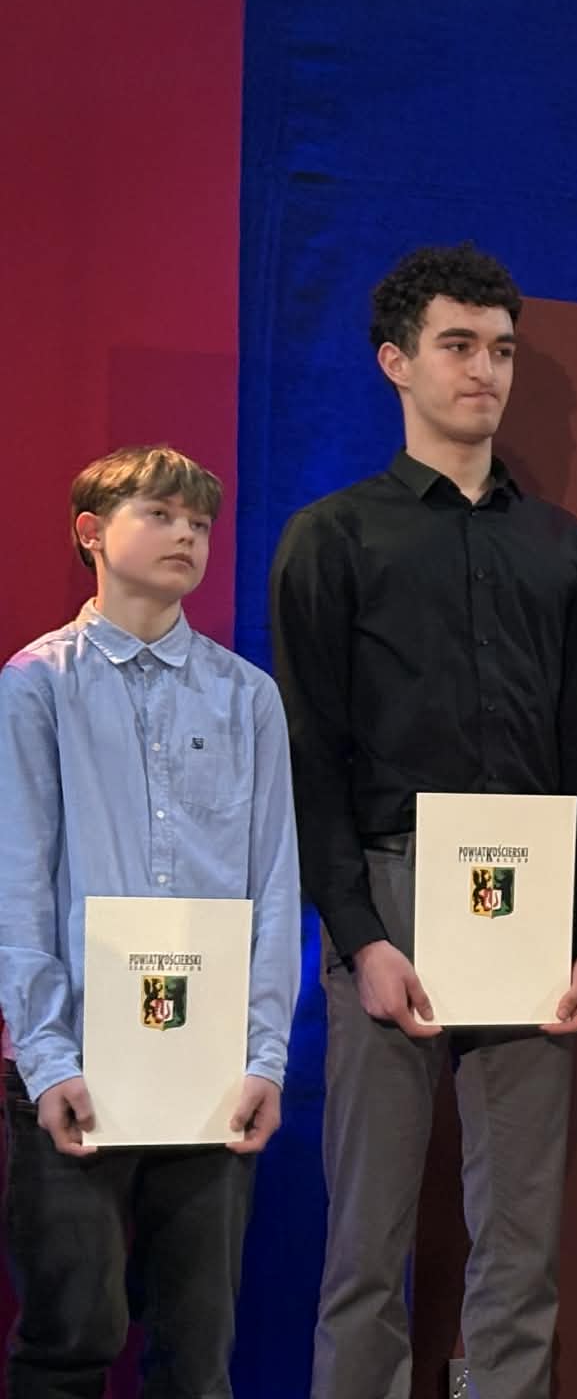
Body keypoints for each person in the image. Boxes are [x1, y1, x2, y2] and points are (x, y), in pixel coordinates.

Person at [268, 244, 577, 1399]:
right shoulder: (333, 536)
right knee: (364, 1246)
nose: (485, 370)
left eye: (502, 350)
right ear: (396, 361)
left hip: (533, 906)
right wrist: (359, 937)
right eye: (458, 346)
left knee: (521, 1244)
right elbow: (308, 757)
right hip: (388, 895)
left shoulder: (561, 547)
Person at [0, 446, 300, 1397]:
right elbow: (18, 880)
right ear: (91, 533)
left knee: (197, 1350)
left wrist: (264, 1057)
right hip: (78, 1056)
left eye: (201, 524)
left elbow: (274, 885)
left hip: (207, 1065)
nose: (187, 536)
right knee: (72, 1333)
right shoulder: (37, 683)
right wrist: (46, 1057)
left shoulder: (247, 696)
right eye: (162, 515)